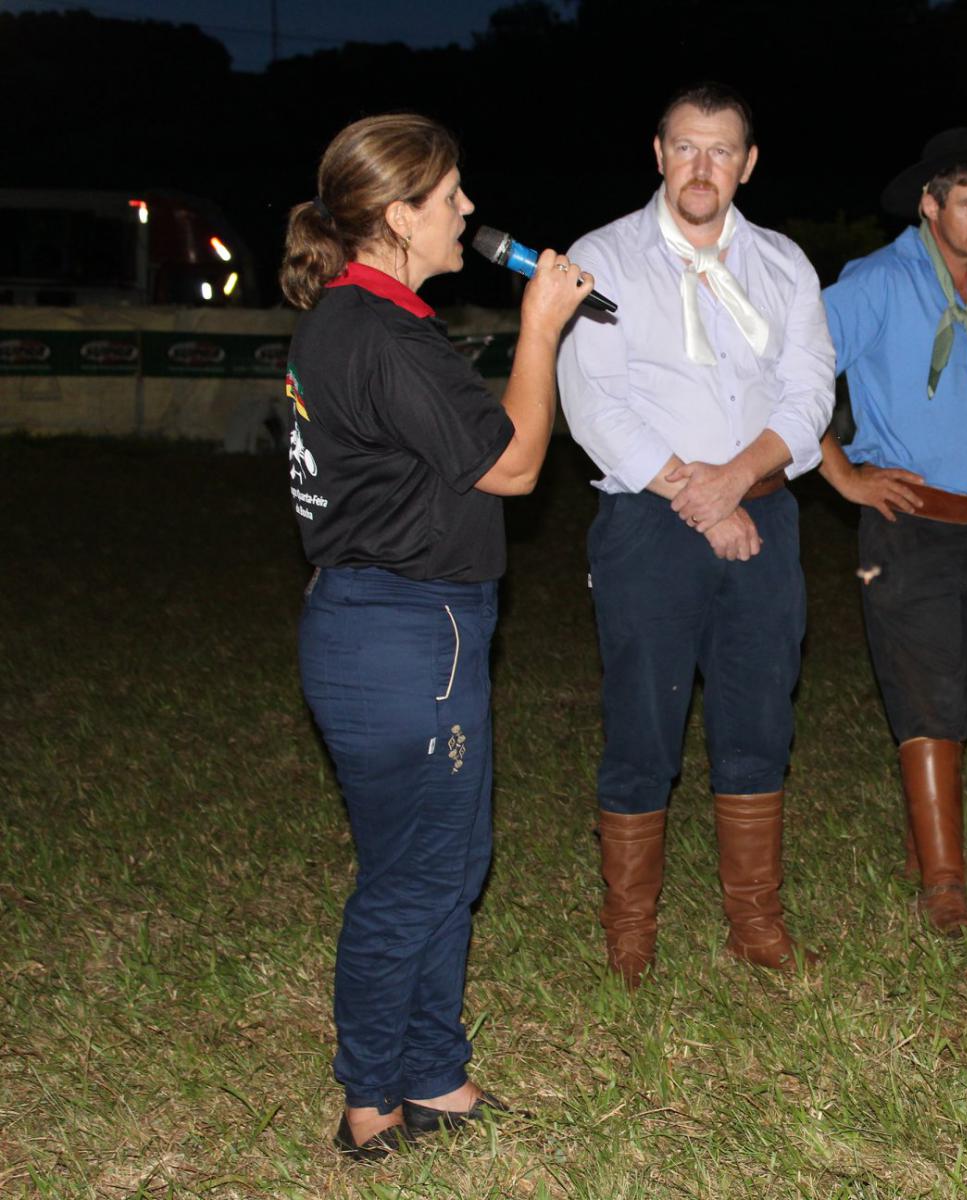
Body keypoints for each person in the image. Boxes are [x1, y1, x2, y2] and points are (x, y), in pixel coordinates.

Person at [281, 114, 591, 1158]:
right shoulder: (379, 331)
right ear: (398, 216)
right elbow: (509, 466)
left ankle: (433, 1074)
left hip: (384, 629)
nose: (469, 209)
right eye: (452, 194)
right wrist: (541, 328)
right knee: (415, 876)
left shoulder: (357, 319)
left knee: (445, 863)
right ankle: (371, 1100)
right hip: (406, 635)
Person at [557, 83, 835, 987]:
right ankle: (630, 927)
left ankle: (754, 919)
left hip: (764, 511)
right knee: (643, 721)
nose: (702, 168)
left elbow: (809, 398)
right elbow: (593, 399)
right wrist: (695, 494)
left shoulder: (786, 264)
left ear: (747, 164)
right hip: (647, 518)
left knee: (759, 713)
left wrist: (736, 484)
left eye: (721, 151)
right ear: (658, 153)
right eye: (686, 147)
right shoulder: (603, 258)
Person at [817, 128, 967, 936]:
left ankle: (934, 834)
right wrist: (843, 472)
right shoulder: (877, 283)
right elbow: (792, 370)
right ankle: (945, 886)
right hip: (909, 521)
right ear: (930, 205)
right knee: (929, 695)